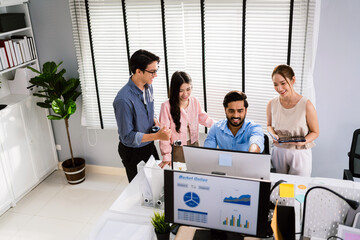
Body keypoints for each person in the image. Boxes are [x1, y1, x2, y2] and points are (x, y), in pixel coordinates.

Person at [113, 49, 171, 182]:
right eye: (152, 71)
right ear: (138, 71)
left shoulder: (148, 86)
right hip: (132, 152)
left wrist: (155, 121)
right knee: (140, 190)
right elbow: (127, 137)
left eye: (157, 70)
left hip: (149, 146)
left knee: (157, 182)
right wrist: (157, 136)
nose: (155, 75)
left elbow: (149, 110)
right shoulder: (123, 100)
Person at [267, 64, 319, 176]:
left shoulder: (306, 105)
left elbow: (315, 132)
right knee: (279, 188)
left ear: (293, 80)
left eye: (283, 83)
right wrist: (272, 134)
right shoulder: (272, 104)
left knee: (298, 190)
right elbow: (269, 125)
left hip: (299, 153)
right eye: (275, 84)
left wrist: (302, 141)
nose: (279, 89)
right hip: (278, 152)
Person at [159, 71, 214, 168]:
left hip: (194, 144)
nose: (185, 94)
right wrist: (166, 156)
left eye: (188, 89)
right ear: (175, 90)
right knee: (181, 173)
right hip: (177, 148)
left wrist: (221, 126)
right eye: (181, 90)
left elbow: (204, 118)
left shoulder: (194, 101)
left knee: (196, 170)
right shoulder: (166, 106)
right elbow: (164, 135)